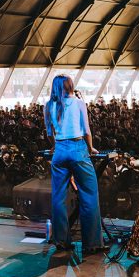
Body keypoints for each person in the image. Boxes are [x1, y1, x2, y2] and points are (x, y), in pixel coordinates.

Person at [44, 74, 105, 255]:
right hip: (78, 148)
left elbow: (49, 132)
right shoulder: (79, 103)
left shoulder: (48, 106)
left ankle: (61, 241)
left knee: (58, 198)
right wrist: (91, 147)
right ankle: (92, 243)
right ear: (71, 86)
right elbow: (86, 130)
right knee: (89, 195)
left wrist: (54, 146)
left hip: (60, 151)